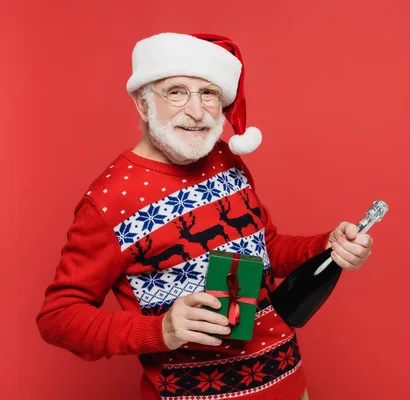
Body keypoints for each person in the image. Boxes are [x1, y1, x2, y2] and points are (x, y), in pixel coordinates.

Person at [36, 32, 374, 400]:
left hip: (289, 385)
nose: (197, 112)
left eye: (208, 93)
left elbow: (265, 249)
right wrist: (161, 330)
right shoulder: (108, 200)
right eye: (177, 91)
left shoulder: (225, 159)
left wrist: (327, 245)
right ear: (143, 103)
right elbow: (58, 318)